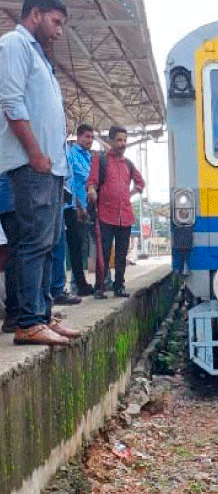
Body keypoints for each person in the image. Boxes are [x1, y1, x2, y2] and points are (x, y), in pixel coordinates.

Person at [0, 0, 79, 345]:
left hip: (51, 167)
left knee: (48, 244)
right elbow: (12, 103)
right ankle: (28, 322)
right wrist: (35, 154)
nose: (59, 31)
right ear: (36, 14)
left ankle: (43, 316)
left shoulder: (40, 56)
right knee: (34, 242)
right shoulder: (14, 45)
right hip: (32, 165)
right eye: (56, 22)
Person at [86, 126, 145, 299]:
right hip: (105, 214)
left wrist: (129, 194)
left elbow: (140, 182)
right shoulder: (101, 159)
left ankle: (119, 286)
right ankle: (100, 287)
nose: (122, 143)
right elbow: (92, 180)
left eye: (125, 140)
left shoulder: (128, 164)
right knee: (103, 253)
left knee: (121, 254)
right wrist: (92, 190)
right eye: (119, 140)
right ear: (111, 141)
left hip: (125, 216)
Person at [64, 123, 95, 296]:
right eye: (86, 137)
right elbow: (72, 181)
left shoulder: (88, 157)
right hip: (74, 207)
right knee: (74, 245)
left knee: (82, 245)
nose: (89, 140)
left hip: (88, 207)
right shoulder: (71, 154)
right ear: (78, 136)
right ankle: (78, 284)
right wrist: (78, 206)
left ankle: (81, 282)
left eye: (91, 137)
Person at [48, 177, 81, 305]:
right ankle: (52, 293)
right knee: (47, 247)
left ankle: (57, 291)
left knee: (58, 245)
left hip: (58, 196)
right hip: (46, 191)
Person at [0, 172, 18, 333]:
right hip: (11, 199)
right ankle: (14, 313)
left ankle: (15, 313)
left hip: (12, 198)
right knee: (16, 254)